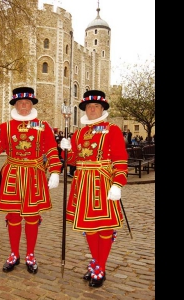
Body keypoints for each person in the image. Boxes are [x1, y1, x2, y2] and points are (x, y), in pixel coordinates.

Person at [0, 87, 62, 274]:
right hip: (12, 175)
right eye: (20, 103)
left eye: (27, 103)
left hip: (34, 175)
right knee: (13, 217)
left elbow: (52, 149)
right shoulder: (5, 127)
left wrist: (55, 171)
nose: (24, 106)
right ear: (15, 105)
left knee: (31, 217)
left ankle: (30, 254)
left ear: (32, 105)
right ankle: (14, 254)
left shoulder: (42, 126)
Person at [60, 89, 128, 288]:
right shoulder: (80, 132)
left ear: (102, 108)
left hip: (102, 183)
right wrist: (65, 149)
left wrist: (117, 183)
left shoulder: (112, 129)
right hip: (82, 185)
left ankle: (100, 267)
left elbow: (120, 158)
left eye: (96, 106)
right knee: (89, 228)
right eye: (88, 107)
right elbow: (72, 160)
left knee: (104, 228)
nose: (92, 109)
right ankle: (96, 263)